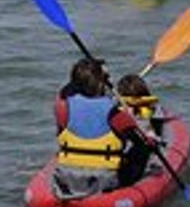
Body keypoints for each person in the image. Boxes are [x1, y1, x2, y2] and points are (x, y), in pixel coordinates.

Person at [51, 57, 151, 197]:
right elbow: (140, 141)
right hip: (104, 182)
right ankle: (128, 191)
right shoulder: (115, 113)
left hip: (68, 180)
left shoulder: (62, 108)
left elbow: (66, 91)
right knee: (143, 148)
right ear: (101, 83)